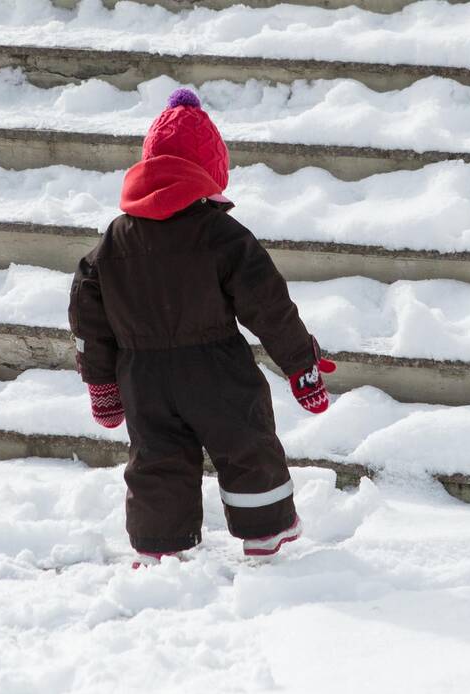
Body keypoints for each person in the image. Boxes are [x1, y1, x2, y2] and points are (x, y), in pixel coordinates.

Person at [68, 88, 334, 567]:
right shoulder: (220, 234)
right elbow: (268, 305)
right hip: (217, 371)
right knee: (246, 444)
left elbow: (91, 318)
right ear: (210, 174)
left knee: (157, 459)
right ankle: (265, 534)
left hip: (142, 377)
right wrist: (302, 364)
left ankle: (158, 546)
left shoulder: (112, 242)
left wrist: (102, 384)